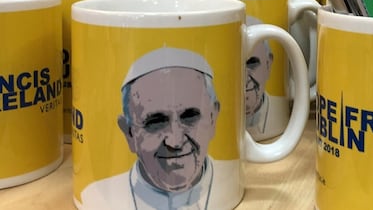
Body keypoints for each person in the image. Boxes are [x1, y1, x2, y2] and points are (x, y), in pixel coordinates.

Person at [80, 47, 228, 209]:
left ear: (213, 119)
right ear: (129, 133)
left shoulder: (231, 179)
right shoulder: (96, 196)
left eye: (190, 117)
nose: (175, 141)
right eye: (156, 122)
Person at [245, 16, 274, 138]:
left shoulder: (278, 113)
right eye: (234, 65)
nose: (243, 78)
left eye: (252, 63)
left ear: (268, 64)